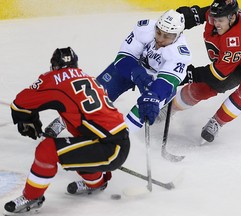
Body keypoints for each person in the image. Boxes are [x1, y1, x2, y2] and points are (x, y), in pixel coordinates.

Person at [4, 47, 130, 214]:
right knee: (78, 148)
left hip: (108, 148)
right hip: (117, 142)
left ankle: (32, 197)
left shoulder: (54, 79)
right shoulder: (90, 79)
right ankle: (96, 183)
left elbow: (20, 104)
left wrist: (28, 121)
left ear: (54, 66)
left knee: (47, 149)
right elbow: (79, 111)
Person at [167, 0, 241, 144]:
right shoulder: (221, 15)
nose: (216, 24)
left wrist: (187, 74)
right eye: (214, 19)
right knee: (203, 88)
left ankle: (217, 122)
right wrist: (176, 22)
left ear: (233, 17)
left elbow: (217, 74)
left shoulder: (237, 37)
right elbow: (201, 14)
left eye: (220, 21)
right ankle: (169, 109)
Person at [95, 9, 192, 132]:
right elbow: (122, 58)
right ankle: (69, 121)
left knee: (149, 104)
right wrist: (135, 71)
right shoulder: (145, 29)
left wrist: (154, 95)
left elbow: (167, 82)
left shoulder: (179, 53)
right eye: (158, 32)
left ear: (177, 36)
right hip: (133, 70)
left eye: (167, 36)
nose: (160, 39)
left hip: (156, 83)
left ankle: (120, 140)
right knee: (95, 94)